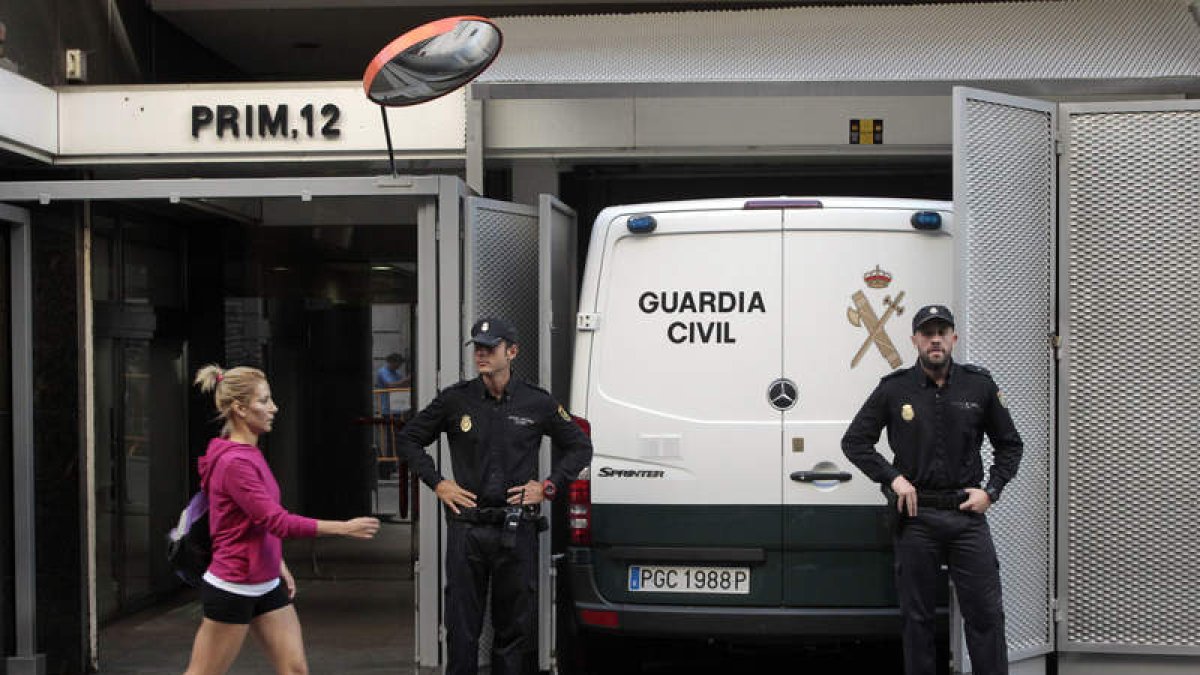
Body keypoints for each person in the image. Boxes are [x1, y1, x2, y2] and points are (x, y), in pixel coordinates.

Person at [395, 317, 593, 675]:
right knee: (461, 628)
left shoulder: (538, 402)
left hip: (516, 531)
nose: (482, 354)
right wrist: (438, 483)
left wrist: (547, 487)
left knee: (514, 630)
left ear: (512, 351)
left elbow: (580, 446)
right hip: (467, 530)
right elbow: (408, 438)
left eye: (491, 347)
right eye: (478, 347)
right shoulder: (456, 400)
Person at [841, 305, 1023, 675]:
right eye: (927, 333)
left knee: (986, 617)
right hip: (916, 519)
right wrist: (892, 477)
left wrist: (991, 491)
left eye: (942, 332)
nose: (935, 339)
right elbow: (855, 441)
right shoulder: (894, 389)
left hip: (967, 517)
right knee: (917, 620)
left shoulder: (979, 386)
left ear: (954, 338)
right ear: (915, 341)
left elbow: (1010, 444)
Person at [184, 364, 381, 675]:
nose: (274, 408)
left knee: (295, 670)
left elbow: (257, 521)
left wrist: (277, 563)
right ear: (240, 408)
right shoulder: (235, 463)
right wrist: (344, 527)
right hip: (233, 586)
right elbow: (278, 521)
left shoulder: (251, 453)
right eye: (264, 401)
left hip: (264, 582)